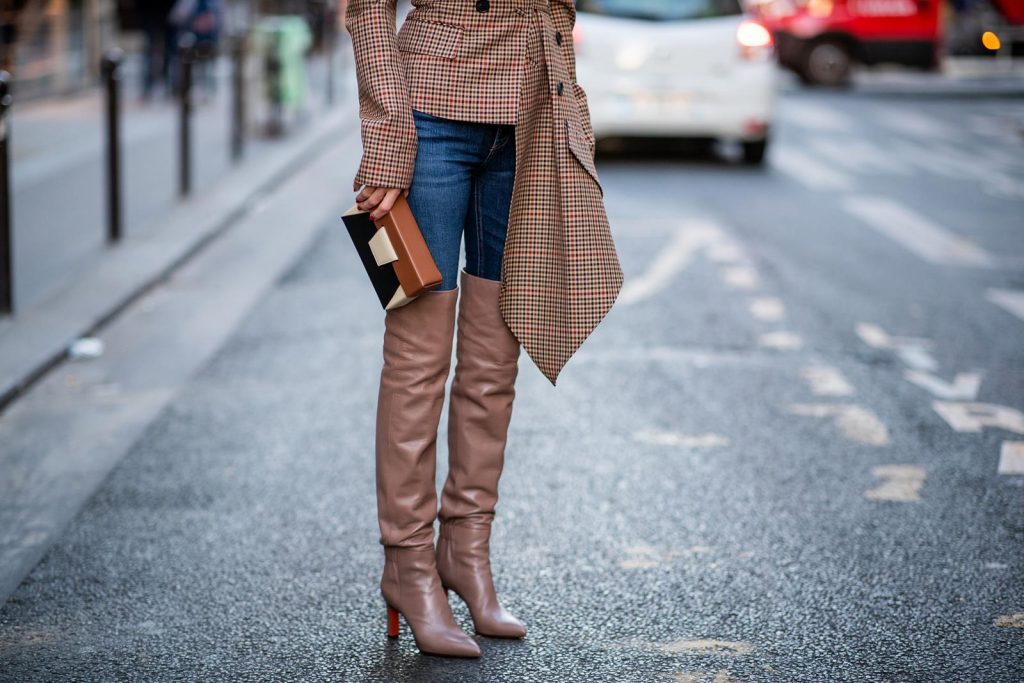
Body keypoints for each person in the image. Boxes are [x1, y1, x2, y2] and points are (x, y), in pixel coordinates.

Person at [345, 0, 624, 659]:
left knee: (495, 356)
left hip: (530, 112)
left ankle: (465, 552)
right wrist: (387, 133)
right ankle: (408, 565)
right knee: (417, 356)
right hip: (427, 118)